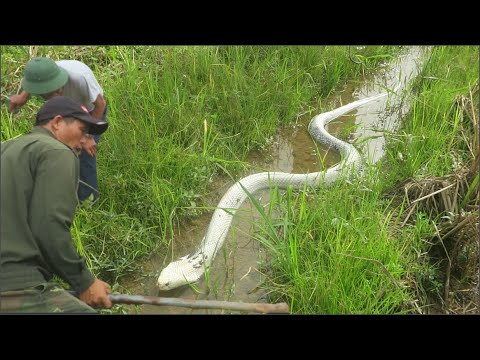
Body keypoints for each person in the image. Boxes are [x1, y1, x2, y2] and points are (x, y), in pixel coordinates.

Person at [0, 96, 112, 313]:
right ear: (57, 122)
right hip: (15, 285)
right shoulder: (56, 151)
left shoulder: (7, 149)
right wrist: (84, 281)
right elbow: (48, 226)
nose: (85, 141)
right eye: (82, 130)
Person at [9, 57, 108, 202]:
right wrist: (22, 97)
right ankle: (64, 192)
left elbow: (100, 104)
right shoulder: (40, 74)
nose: (56, 95)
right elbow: (33, 81)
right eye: (49, 94)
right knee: (62, 150)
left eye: (58, 89)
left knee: (84, 154)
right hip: (66, 112)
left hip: (89, 112)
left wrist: (87, 136)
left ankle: (89, 201)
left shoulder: (79, 77)